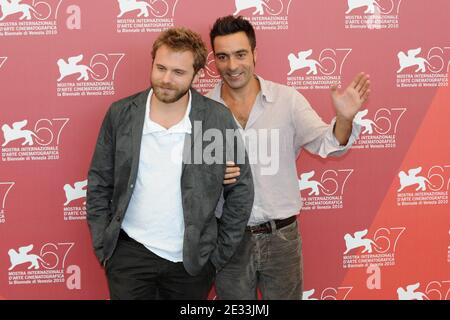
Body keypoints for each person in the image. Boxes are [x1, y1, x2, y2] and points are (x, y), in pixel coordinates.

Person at [207, 15, 370, 300]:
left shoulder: (288, 100)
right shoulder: (203, 109)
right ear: (214, 60)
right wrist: (211, 176)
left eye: (240, 54)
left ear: (255, 54)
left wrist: (343, 118)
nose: (232, 66)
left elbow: (328, 143)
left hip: (281, 238)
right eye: (223, 57)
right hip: (227, 239)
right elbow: (192, 178)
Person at [86, 27, 254, 300]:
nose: (166, 79)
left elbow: (241, 191)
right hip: (129, 255)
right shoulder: (121, 114)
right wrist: (105, 248)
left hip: (191, 263)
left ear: (197, 75)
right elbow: (99, 183)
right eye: (160, 67)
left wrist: (215, 258)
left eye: (178, 72)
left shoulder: (215, 119)